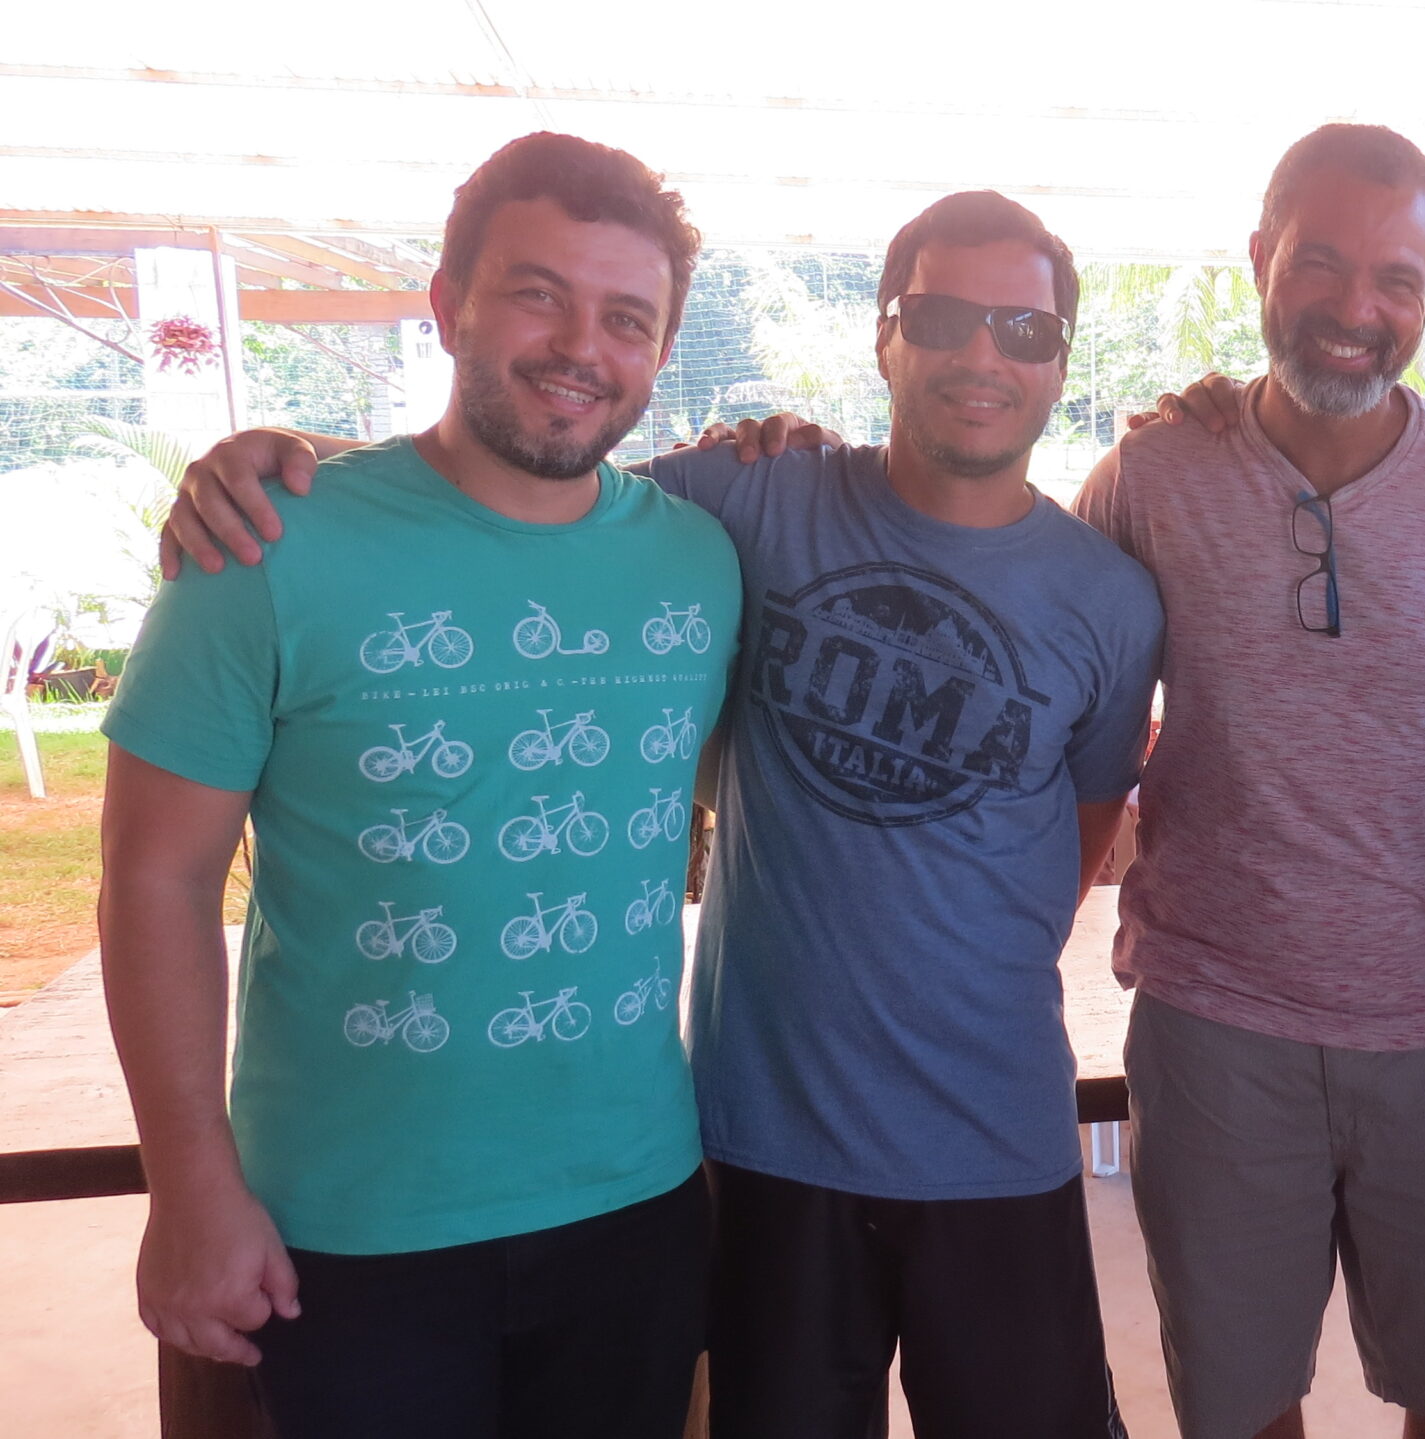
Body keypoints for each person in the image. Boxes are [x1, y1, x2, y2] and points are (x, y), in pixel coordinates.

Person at [158, 190, 1164, 1438]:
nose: (983, 354)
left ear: (1062, 355)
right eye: (943, 316)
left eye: (1025, 329)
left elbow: (1070, 845)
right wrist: (280, 457)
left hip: (987, 1132)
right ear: (883, 334)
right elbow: (521, 474)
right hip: (764, 1140)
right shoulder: (751, 498)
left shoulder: (1109, 600)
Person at [99, 133, 741, 1439]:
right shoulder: (262, 547)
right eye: (537, 295)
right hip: (349, 1224)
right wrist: (189, 1183)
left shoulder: (704, 561)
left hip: (634, 1198)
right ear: (448, 305)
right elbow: (153, 880)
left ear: (663, 348)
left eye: (627, 317)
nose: (581, 346)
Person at [1076, 124, 1425, 1439]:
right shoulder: (1151, 474)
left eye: (1397, 278)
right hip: (1213, 1022)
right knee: (1239, 1404)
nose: (1356, 308)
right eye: (1321, 263)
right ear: (1259, 260)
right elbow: (1066, 711)